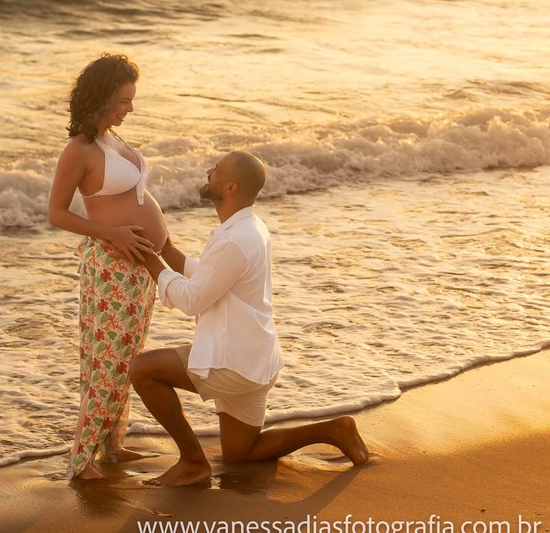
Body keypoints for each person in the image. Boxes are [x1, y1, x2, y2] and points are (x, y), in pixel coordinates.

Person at [127, 150, 369, 486]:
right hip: (256, 359)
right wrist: (169, 253)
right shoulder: (250, 228)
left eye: (218, 169)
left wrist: (149, 260)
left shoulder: (234, 240)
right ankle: (334, 429)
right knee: (240, 453)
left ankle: (192, 462)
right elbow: (213, 277)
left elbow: (191, 298)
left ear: (230, 187)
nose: (209, 171)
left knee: (142, 369)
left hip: (233, 363)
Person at [47, 53, 171, 480]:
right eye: (123, 100)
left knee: (126, 358)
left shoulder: (113, 141)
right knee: (107, 361)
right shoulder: (78, 150)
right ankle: (81, 463)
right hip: (111, 268)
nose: (130, 109)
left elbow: (136, 202)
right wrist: (112, 235)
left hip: (139, 268)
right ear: (101, 98)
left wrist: (169, 252)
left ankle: (112, 446)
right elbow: (57, 213)